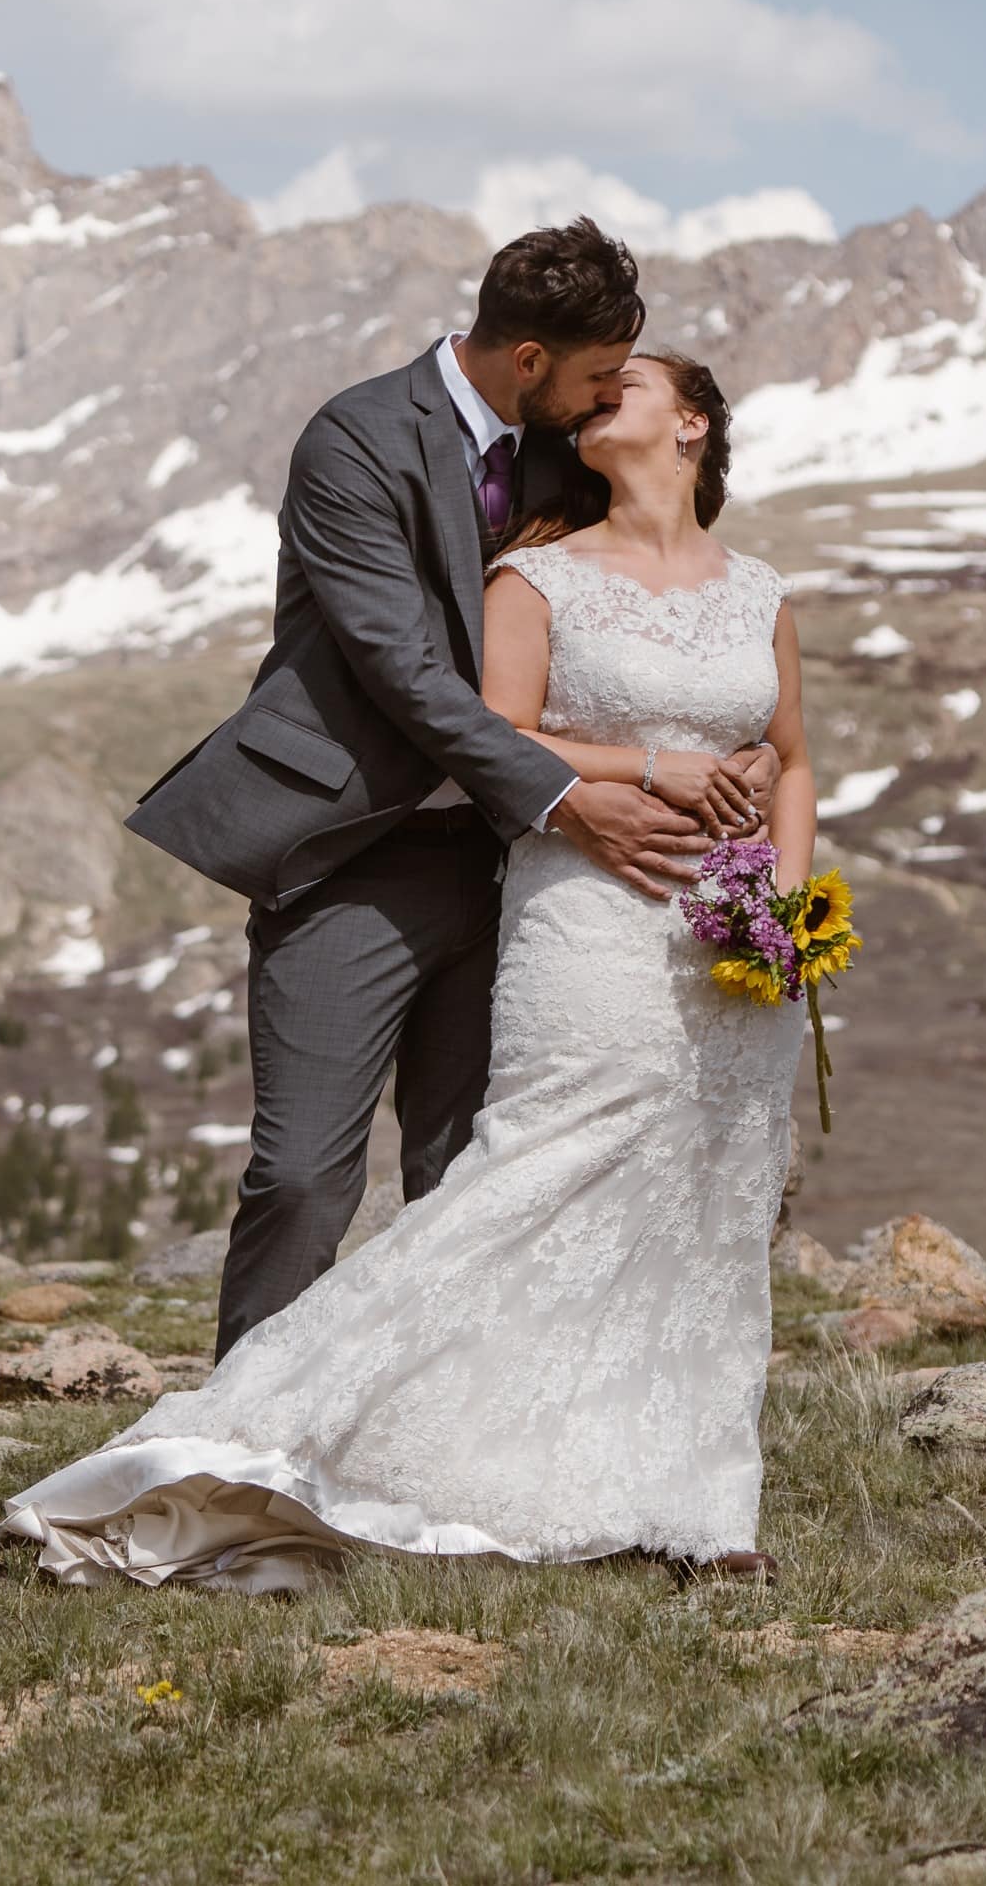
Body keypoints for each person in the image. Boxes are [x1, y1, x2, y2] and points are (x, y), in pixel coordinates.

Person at [0, 347, 816, 1587]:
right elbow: (494, 731)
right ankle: (257, 1432)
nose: (599, 400)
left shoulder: (760, 589)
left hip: (727, 939)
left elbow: (791, 756)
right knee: (520, 1175)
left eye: (628, 385)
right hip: (590, 911)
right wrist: (643, 768)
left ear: (695, 424)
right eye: (590, 384)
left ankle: (695, 1505)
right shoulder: (534, 574)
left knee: (705, 1206)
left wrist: (787, 908)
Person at [116, 218, 777, 1362]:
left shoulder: (563, 443)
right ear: (528, 360)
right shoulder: (356, 441)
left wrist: (742, 737)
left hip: (515, 875)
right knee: (304, 1173)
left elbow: (645, 606)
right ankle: (237, 1444)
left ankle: (430, 1440)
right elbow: (406, 675)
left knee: (470, 1170)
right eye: (593, 374)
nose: (604, 396)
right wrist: (572, 799)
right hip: (358, 852)